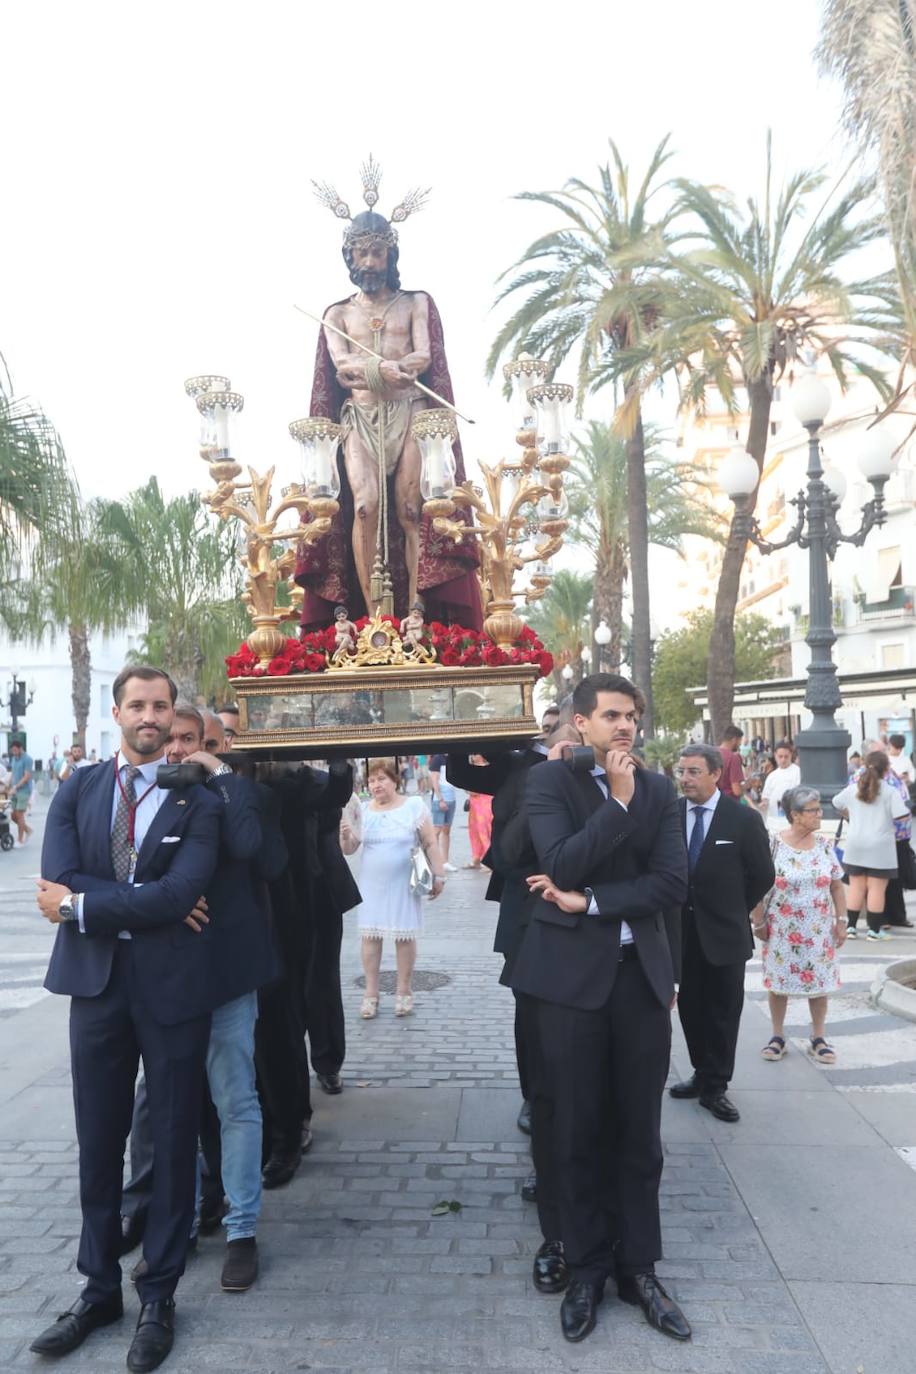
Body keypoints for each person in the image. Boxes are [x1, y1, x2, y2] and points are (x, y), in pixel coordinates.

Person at [31, 666, 220, 1372]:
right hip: (97, 987)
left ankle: (160, 1295)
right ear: (116, 712)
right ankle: (98, 1287)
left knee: (171, 1145)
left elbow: (179, 893)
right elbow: (57, 874)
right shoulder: (78, 787)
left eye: (161, 707)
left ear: (174, 717)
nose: (150, 716)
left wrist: (84, 906)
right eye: (138, 705)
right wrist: (141, 900)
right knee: (98, 1141)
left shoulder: (197, 798)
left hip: (172, 991)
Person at [510, 673, 690, 1346]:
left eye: (632, 716)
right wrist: (616, 804)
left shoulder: (663, 789)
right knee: (575, 1125)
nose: (625, 727)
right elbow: (558, 857)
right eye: (611, 715)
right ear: (580, 723)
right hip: (567, 983)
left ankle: (637, 1268)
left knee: (639, 1131)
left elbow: (671, 883)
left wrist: (591, 901)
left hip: (638, 977)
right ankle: (584, 1266)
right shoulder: (549, 785)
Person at [121, 708, 285, 1296]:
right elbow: (121, 872)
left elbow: (260, 855)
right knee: (174, 1110)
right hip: (165, 977)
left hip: (226, 973)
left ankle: (242, 1231)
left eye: (196, 741)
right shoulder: (145, 799)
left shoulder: (235, 794)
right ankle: (180, 1224)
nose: (181, 750)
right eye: (174, 740)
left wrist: (220, 773)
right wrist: (164, 901)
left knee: (236, 1103)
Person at [295, 166, 480, 625]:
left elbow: (424, 357)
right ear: (349, 256)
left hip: (413, 415)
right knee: (362, 506)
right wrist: (378, 371)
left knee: (413, 508)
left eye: (378, 252)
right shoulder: (336, 314)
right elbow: (342, 368)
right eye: (362, 253)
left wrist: (394, 371)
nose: (371, 262)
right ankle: (376, 618)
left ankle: (417, 608)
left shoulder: (416, 303)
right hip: (359, 420)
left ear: (391, 254)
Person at [259, 759, 360, 1182]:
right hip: (260, 913)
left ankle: (324, 1064)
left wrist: (337, 757)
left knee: (318, 989)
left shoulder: (297, 778)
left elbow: (334, 793)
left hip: (312, 898)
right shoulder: (230, 779)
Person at [669, 744, 775, 1123]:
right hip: (681, 932)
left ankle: (717, 1085)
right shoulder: (670, 814)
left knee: (724, 1012)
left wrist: (734, 908)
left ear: (716, 774)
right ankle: (700, 1073)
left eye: (694, 771)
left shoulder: (741, 820)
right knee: (692, 1010)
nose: (685, 779)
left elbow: (762, 874)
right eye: (681, 771)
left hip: (725, 934)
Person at [341, 759, 445, 1017]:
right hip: (372, 884)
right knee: (370, 937)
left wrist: (439, 874)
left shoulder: (413, 806)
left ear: (395, 780)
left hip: (404, 883)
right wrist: (345, 835)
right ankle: (371, 994)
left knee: (404, 935)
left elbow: (430, 842)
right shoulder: (363, 811)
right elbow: (350, 849)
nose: (376, 785)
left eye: (381, 779)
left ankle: (404, 991)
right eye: (372, 781)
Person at [754, 785, 848, 1064]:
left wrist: (841, 921)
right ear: (795, 815)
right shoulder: (773, 844)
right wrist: (758, 922)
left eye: (819, 808)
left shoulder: (823, 846)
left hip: (818, 931)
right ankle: (777, 1036)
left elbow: (836, 886)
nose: (820, 814)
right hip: (782, 929)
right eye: (814, 810)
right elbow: (758, 885)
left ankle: (818, 1038)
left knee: (819, 984)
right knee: (779, 984)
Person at [832, 751, 910, 942]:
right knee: (876, 889)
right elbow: (902, 814)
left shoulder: (853, 788)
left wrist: (850, 814)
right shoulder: (890, 791)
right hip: (881, 846)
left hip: (855, 844)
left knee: (857, 887)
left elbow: (835, 802)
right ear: (886, 770)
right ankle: (874, 930)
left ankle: (851, 927)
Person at [759, 741, 801, 830]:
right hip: (773, 822)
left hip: (791, 821)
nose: (783, 760)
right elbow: (765, 797)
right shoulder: (772, 776)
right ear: (775, 756)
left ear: (791, 755)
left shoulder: (798, 772)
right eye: (780, 757)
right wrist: (764, 803)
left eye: (786, 757)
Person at [427, 752, 458, 871]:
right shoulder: (437, 759)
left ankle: (445, 861)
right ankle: (432, 859)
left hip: (451, 798)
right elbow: (434, 780)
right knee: (437, 829)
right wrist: (440, 799)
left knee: (446, 830)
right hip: (439, 799)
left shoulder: (450, 758)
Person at [464, 755, 494, 869]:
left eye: (475, 754)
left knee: (484, 832)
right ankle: (476, 857)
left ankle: (488, 862)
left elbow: (472, 790)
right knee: (475, 832)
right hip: (475, 805)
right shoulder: (475, 768)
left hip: (483, 805)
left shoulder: (481, 769)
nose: (472, 756)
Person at [8, 739, 34, 845]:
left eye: (15, 750)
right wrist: (8, 785)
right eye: (12, 750)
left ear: (20, 749)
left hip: (24, 790)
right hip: (14, 790)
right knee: (13, 816)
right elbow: (13, 773)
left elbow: (27, 777)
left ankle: (20, 840)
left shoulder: (27, 759)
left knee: (19, 815)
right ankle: (28, 830)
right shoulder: (14, 758)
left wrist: (15, 787)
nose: (14, 752)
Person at [717, 725, 745, 800]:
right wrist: (749, 784)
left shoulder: (712, 753)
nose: (740, 744)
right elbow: (737, 791)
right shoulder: (733, 758)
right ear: (734, 739)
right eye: (740, 741)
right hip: (730, 803)